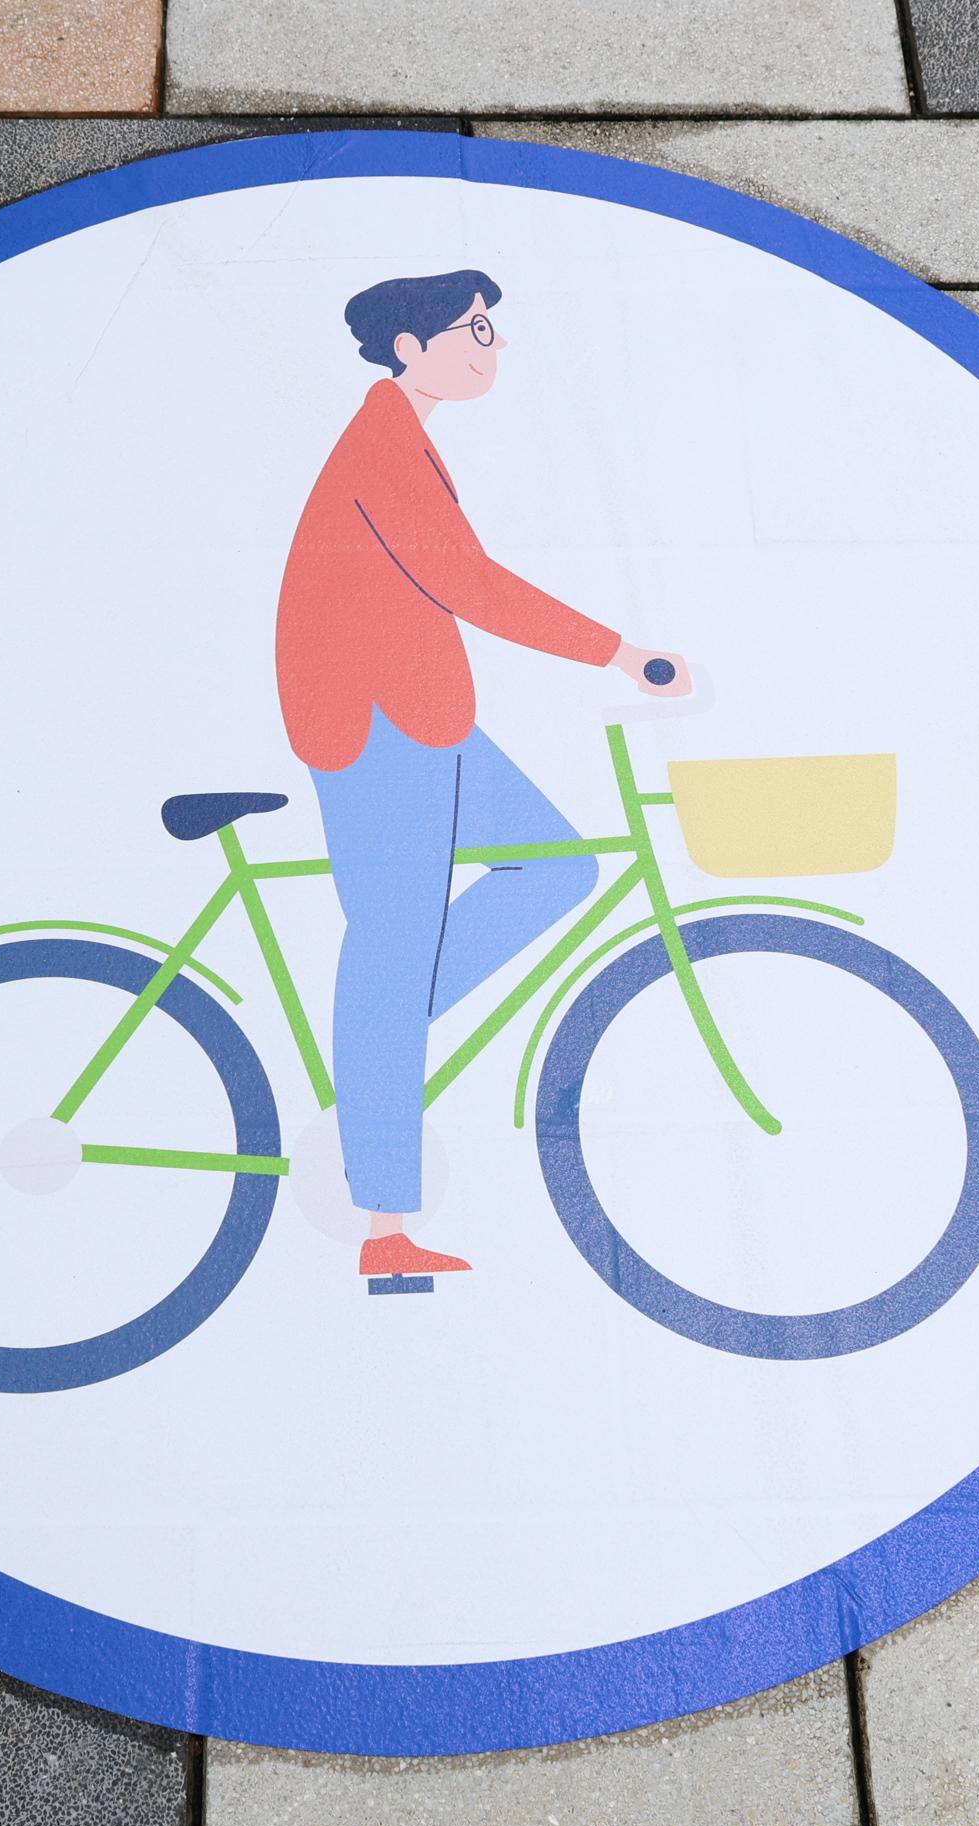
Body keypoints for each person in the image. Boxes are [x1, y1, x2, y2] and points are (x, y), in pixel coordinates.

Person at [275, 269, 687, 1288]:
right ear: (409, 350)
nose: (489, 346)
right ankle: (383, 1228)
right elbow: (467, 581)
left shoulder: (405, 434)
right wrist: (618, 652)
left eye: (490, 329)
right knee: (391, 944)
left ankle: (384, 1031)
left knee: (555, 867)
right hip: (376, 725)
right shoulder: (381, 445)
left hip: (422, 712)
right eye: (470, 330)